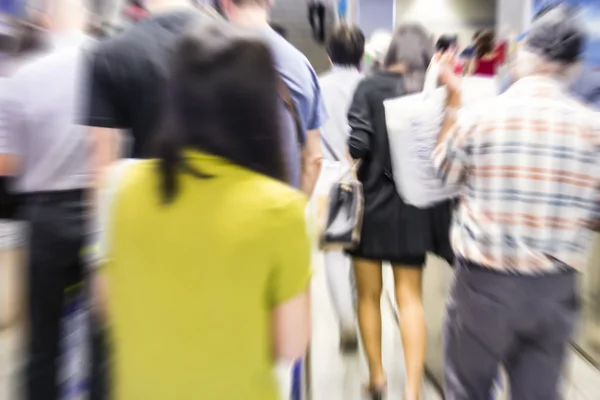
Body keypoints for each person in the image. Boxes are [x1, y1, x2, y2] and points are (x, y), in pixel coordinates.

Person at [93, 21, 311, 400]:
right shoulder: (280, 210)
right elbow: (290, 344)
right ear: (259, 107)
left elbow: (106, 305)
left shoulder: (119, 187)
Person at [433, 6, 600, 400]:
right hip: (555, 290)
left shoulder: (480, 117)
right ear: (573, 66)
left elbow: (444, 175)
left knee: (467, 389)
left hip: (483, 287)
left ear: (525, 53)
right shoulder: (593, 130)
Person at [0, 1, 108, 400]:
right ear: (88, 17)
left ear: (45, 20)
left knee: (43, 338)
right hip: (101, 214)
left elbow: (6, 163)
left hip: (44, 216)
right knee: (102, 339)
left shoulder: (22, 75)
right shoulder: (111, 65)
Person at [347, 24, 454, 400]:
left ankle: (376, 378)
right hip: (413, 209)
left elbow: (358, 143)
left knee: (368, 296)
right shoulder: (429, 91)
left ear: (392, 52)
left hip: (371, 209)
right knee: (409, 297)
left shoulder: (369, 86)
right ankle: (412, 391)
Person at [218, 0, 327, 197]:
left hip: (219, 215)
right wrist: (293, 211)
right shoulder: (300, 66)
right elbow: (314, 159)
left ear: (224, 3)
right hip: (278, 212)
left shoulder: (204, 59)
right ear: (270, 2)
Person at [317, 23, 364, 353]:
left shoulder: (317, 85)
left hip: (330, 175)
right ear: (362, 54)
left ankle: (346, 323)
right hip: (365, 175)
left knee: (335, 255)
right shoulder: (370, 86)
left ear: (329, 54)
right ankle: (363, 315)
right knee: (364, 255)